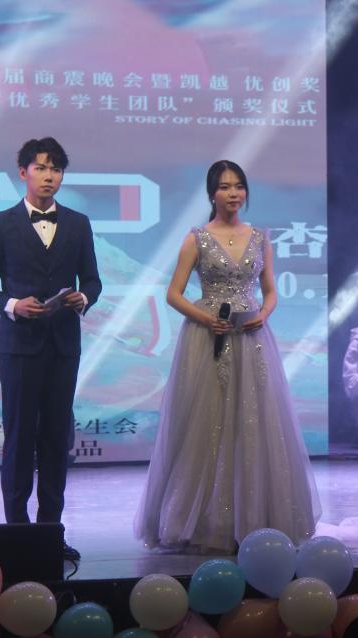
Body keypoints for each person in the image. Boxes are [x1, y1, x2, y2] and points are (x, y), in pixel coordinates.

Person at [134, 160, 319, 553]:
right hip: (208, 337)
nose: (233, 193)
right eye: (224, 187)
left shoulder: (260, 238)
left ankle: (257, 516)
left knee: (255, 422)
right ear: (211, 194)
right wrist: (207, 319)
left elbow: (270, 290)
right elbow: (173, 294)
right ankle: (207, 521)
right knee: (207, 423)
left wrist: (264, 313)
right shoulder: (197, 239)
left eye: (239, 186)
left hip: (252, 337)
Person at [0, 137, 102, 561]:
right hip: (19, 348)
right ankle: (17, 533)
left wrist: (84, 298)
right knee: (19, 439)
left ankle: (50, 534)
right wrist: (13, 305)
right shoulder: (0, 223)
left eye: (56, 169)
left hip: (63, 346)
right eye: (41, 167)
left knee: (55, 440)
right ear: (23, 172)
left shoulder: (78, 223)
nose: (49, 176)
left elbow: (92, 279)